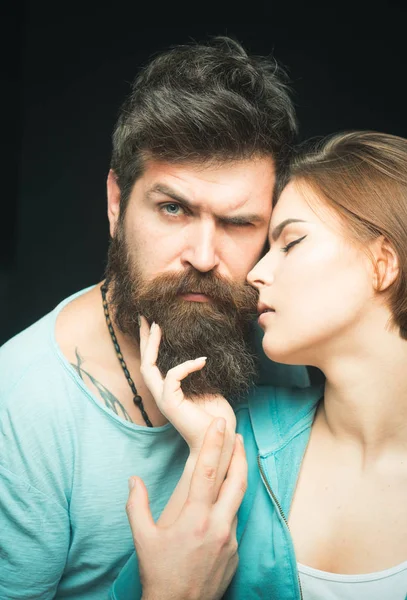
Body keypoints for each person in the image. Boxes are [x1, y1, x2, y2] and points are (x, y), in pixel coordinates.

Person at [0, 36, 310, 599]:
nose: (203, 255)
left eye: (240, 223)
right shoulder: (20, 405)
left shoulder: (280, 347)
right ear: (117, 203)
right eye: (173, 209)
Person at [114, 130, 407, 600]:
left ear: (382, 263)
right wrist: (211, 454)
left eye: (290, 243)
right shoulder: (238, 438)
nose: (255, 273)